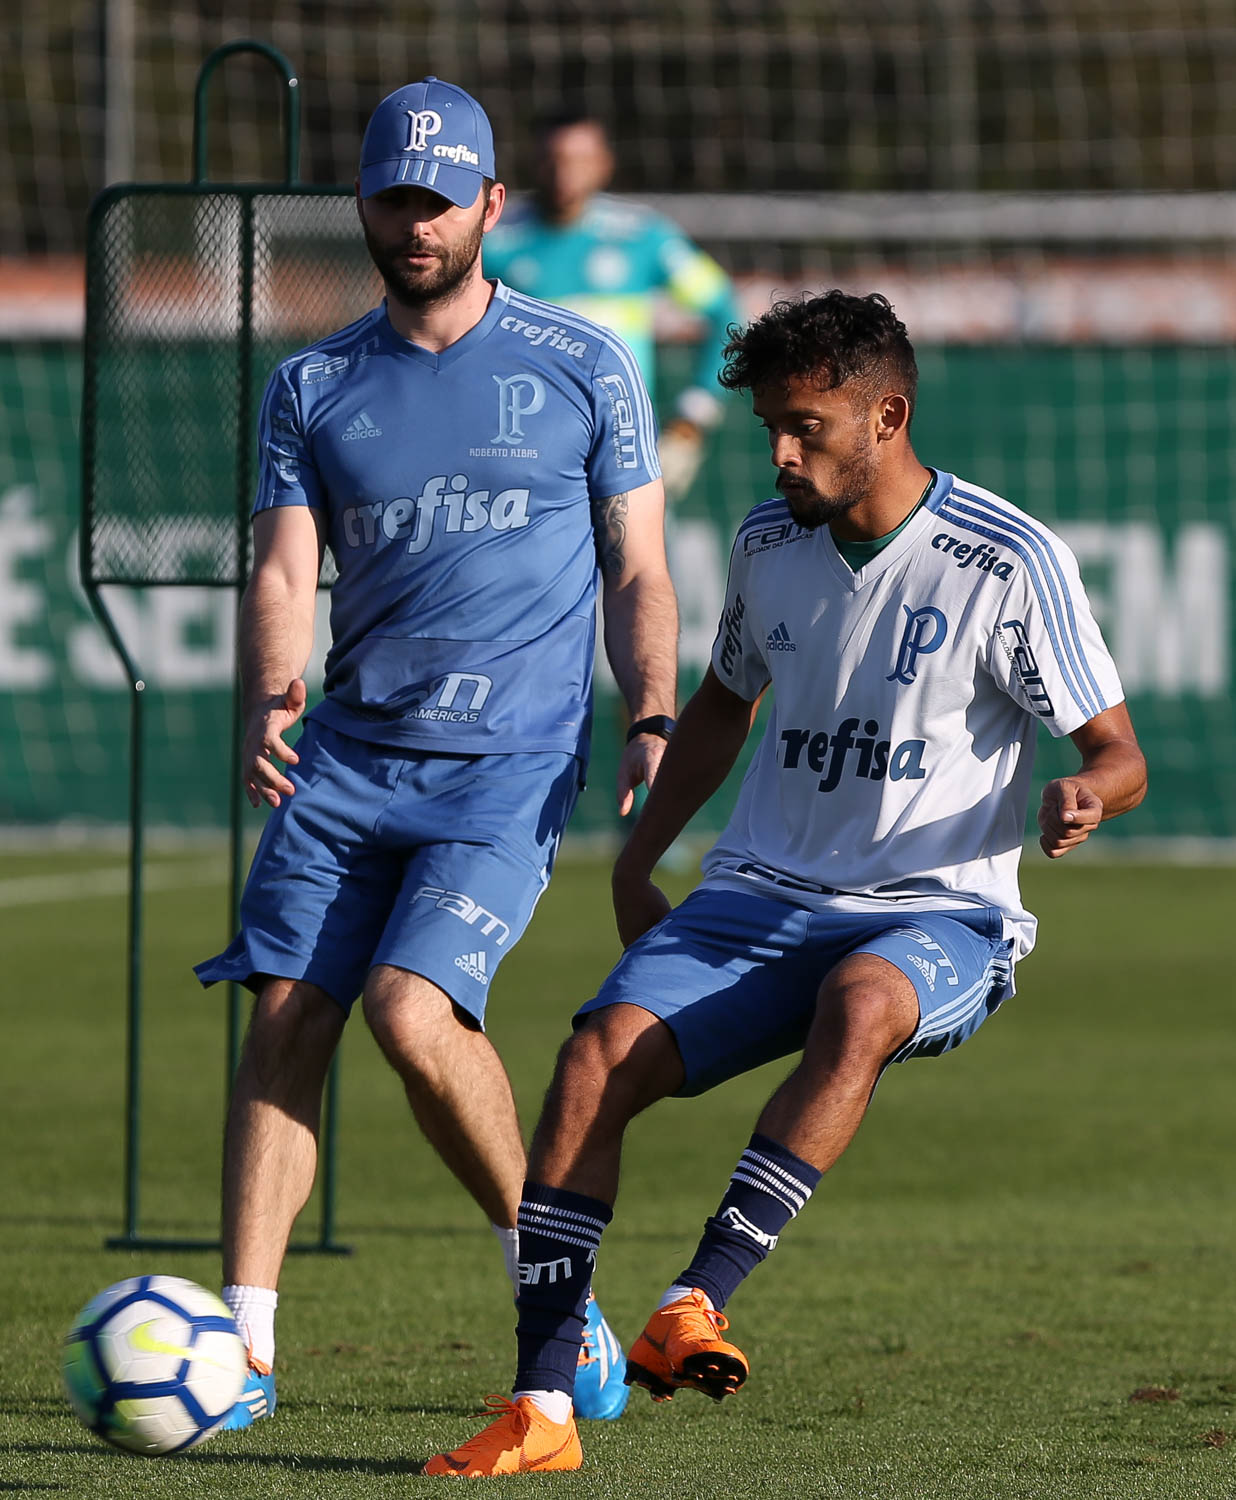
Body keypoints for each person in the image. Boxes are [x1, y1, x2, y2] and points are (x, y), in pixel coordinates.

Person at [422, 290, 1148, 1475]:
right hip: (759, 894)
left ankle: (697, 1298)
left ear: (888, 414)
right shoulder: (770, 540)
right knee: (593, 1057)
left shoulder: (1009, 561)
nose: (779, 451)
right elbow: (724, 703)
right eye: (769, 426)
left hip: (939, 913)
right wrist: (644, 853)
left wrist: (1087, 792)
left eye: (804, 426)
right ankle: (542, 1410)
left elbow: (1120, 754)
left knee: (861, 1001)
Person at [193, 77, 678, 1430]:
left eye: (440, 198)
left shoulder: (583, 364)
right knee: (286, 1019)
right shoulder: (313, 382)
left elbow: (639, 567)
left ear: (489, 205)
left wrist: (649, 710)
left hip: (507, 763)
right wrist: (269, 693)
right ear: (365, 204)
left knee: (413, 1015)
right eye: (394, 198)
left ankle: (554, 1297)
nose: (417, 223)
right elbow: (285, 566)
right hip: (345, 760)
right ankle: (241, 1352)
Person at [482, 111, 743, 504]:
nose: (563, 172)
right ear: (534, 162)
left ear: (604, 165)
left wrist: (693, 419)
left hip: (627, 458)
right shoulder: (498, 244)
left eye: (578, 159)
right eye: (552, 158)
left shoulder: (644, 238)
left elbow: (727, 315)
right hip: (525, 461)